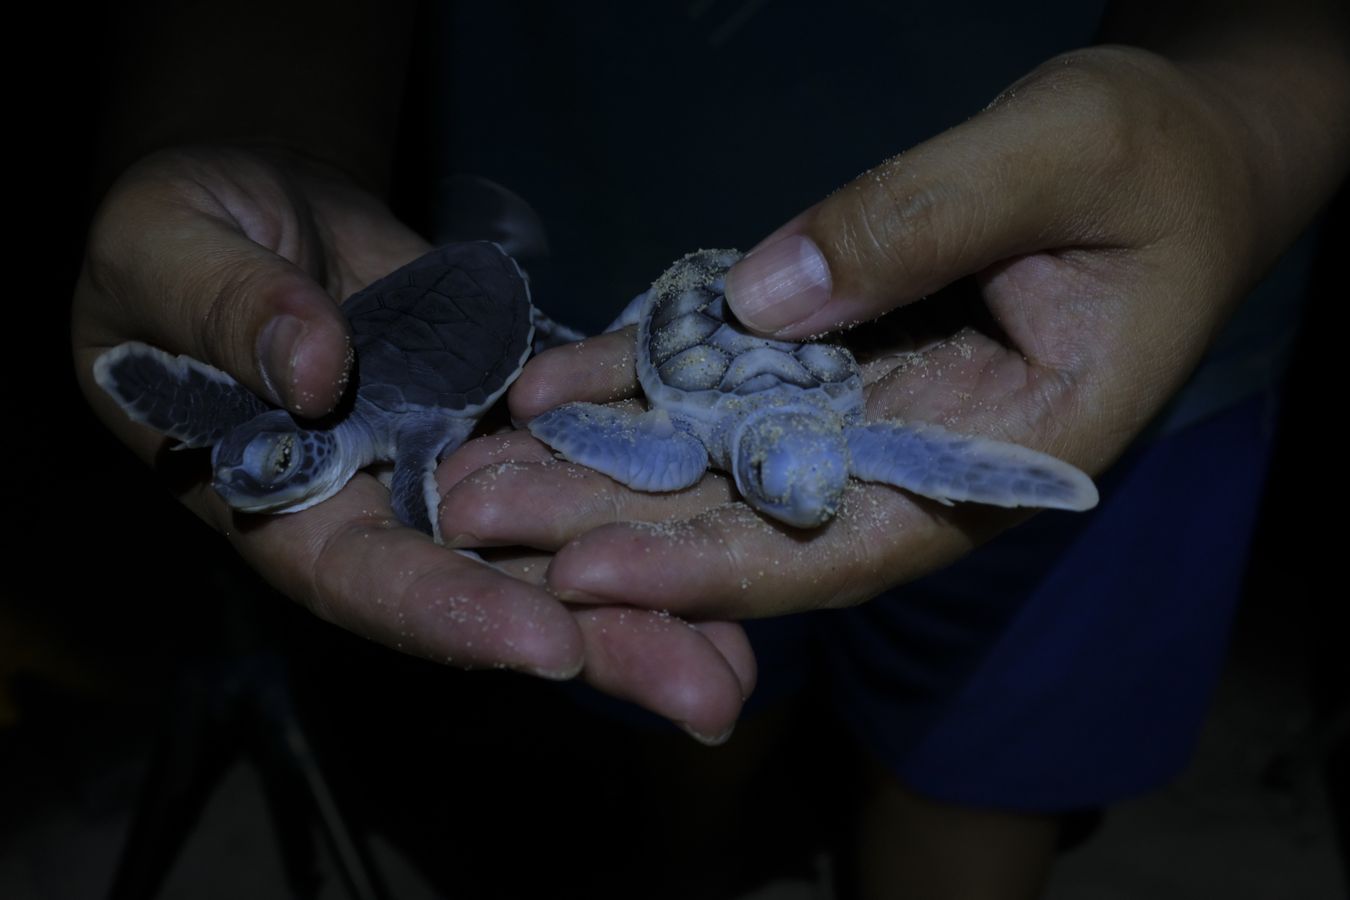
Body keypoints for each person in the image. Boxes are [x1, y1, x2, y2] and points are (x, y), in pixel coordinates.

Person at [73, 0, 1348, 896]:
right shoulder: (712, 448)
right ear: (761, 460)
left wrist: (1236, 131)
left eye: (797, 479)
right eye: (782, 480)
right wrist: (256, 130)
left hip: (1122, 358)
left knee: (979, 773)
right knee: (683, 710)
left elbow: (893, 454)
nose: (805, 500)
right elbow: (591, 410)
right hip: (648, 287)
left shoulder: (820, 432)